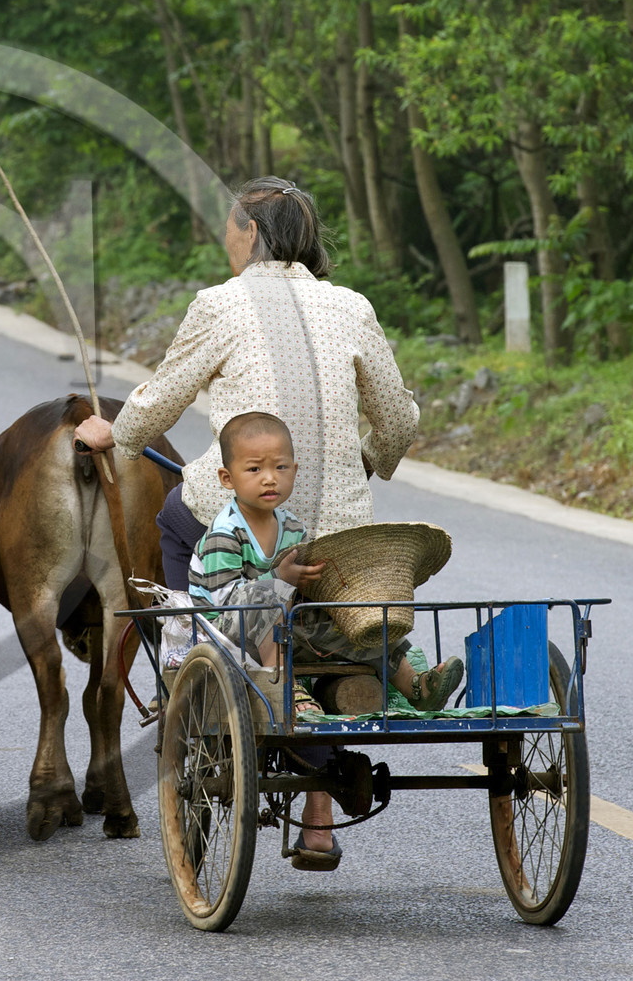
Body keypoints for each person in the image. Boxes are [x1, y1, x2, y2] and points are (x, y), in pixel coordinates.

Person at [73, 176, 420, 595]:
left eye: (228, 232)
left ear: (250, 232)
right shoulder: (352, 307)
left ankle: (193, 637)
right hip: (341, 533)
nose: (226, 243)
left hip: (251, 520)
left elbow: (161, 400)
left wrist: (119, 434)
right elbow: (399, 423)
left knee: (174, 514)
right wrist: (358, 464)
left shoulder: (222, 303)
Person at [188, 410, 464, 870]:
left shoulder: (294, 528)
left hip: (287, 626)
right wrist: (279, 578)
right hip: (230, 633)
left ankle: (415, 684)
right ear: (227, 477)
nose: (268, 479)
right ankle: (289, 692)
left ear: (294, 471)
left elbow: (308, 595)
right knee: (266, 616)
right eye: (253, 469)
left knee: (354, 621)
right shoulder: (224, 535)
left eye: (280, 467)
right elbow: (227, 604)